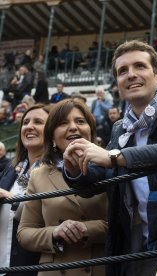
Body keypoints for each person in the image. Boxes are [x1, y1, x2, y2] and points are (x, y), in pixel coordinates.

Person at [62, 40, 157, 275]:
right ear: (118, 85)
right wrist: (74, 168)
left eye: (139, 66)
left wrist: (116, 156)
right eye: (123, 71)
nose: (131, 75)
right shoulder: (120, 128)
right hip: (134, 247)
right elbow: (99, 179)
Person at [17, 99, 108, 276]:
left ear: (91, 131)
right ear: (51, 136)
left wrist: (87, 229)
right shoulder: (38, 175)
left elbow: (127, 225)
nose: (73, 127)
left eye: (80, 121)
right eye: (63, 123)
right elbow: (25, 233)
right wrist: (55, 232)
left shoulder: (110, 166)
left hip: (100, 267)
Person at [0, 104, 49, 276]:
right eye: (25, 122)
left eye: (38, 122)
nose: (29, 126)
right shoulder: (10, 169)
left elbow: (52, 215)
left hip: (32, 266)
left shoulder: (58, 170)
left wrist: (11, 199)